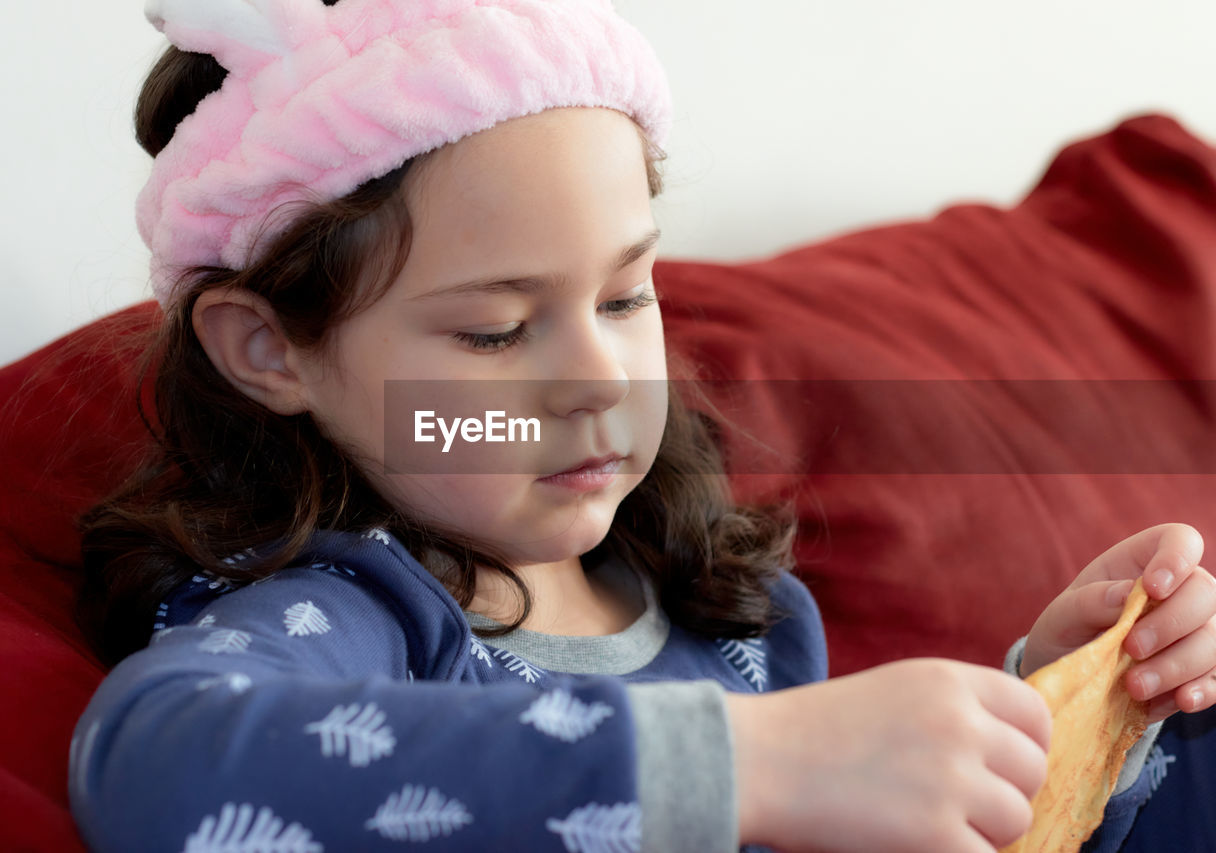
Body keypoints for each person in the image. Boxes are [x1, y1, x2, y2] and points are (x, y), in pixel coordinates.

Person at [70, 1, 1216, 850]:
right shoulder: (355, 618)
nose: (597, 380)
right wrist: (749, 760)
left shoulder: (737, 611)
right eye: (494, 334)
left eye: (624, 298)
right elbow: (155, 767)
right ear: (272, 353)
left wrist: (1056, 717)